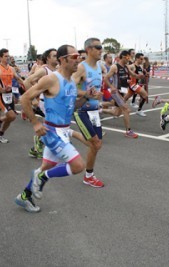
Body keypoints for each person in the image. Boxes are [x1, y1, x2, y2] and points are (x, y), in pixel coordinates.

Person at [15, 44, 96, 212]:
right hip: (51, 131)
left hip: (64, 131)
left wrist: (87, 96)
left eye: (78, 57)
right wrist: (36, 123)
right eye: (74, 57)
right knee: (78, 166)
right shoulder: (51, 78)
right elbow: (24, 98)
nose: (78, 60)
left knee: (45, 167)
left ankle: (24, 196)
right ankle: (42, 177)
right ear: (63, 60)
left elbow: (71, 107)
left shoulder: (72, 82)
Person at [72, 37, 105, 188]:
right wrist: (86, 94)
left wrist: (98, 96)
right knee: (96, 143)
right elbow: (68, 87)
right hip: (82, 111)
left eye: (101, 47)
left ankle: (70, 133)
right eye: (97, 47)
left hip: (94, 112)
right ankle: (89, 176)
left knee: (97, 145)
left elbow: (96, 89)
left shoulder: (99, 67)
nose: (101, 50)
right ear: (88, 50)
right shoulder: (81, 68)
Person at [102, 50, 139, 138]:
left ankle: (99, 109)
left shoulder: (126, 67)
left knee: (117, 113)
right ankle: (128, 131)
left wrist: (139, 76)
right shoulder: (115, 67)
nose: (129, 59)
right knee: (126, 109)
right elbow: (106, 78)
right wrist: (111, 87)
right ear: (123, 57)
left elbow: (133, 75)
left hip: (123, 92)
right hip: (116, 92)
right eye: (128, 57)